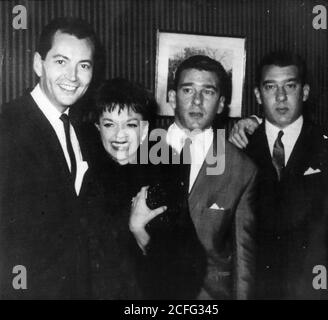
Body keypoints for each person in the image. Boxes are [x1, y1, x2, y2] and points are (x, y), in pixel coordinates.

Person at [132, 55, 258, 299]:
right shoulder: (139, 151)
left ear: (221, 104)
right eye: (187, 90)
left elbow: (244, 261)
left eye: (208, 92)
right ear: (171, 98)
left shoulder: (242, 169)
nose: (197, 101)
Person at [0, 17, 100, 299]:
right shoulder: (7, 125)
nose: (73, 77)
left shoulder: (84, 132)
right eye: (60, 61)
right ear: (37, 64)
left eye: (84, 65)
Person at [83, 78, 206, 299]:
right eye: (109, 124)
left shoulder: (165, 175)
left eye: (130, 124)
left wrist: (140, 231)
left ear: (144, 129)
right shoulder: (89, 174)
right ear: (97, 128)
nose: (118, 135)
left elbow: (187, 273)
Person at [230, 51, 328, 299]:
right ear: (258, 94)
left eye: (290, 85)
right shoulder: (239, 147)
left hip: (314, 290)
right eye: (270, 87)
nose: (280, 97)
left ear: (305, 92)